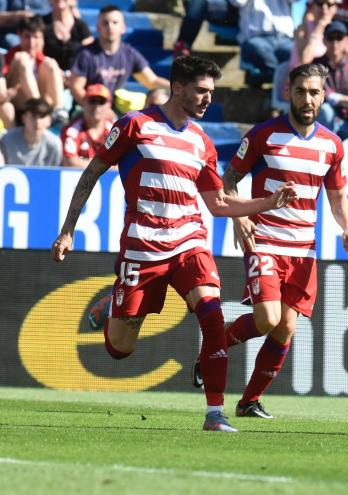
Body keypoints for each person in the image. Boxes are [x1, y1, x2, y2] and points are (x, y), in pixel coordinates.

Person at [50, 55, 298, 433]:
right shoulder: (135, 125)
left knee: (213, 317)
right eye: (201, 90)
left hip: (189, 242)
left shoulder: (202, 142)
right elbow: (91, 173)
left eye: (211, 91)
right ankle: (112, 305)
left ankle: (215, 414)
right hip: (142, 247)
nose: (207, 98)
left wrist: (266, 203)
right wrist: (68, 229)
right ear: (177, 88)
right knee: (120, 348)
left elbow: (217, 204)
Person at [197, 63, 348, 419]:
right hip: (266, 242)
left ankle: (248, 401)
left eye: (314, 92)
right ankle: (215, 348)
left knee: (286, 326)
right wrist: (240, 218)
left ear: (324, 95)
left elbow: (337, 197)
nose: (307, 99)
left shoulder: (332, 145)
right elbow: (228, 181)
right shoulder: (263, 135)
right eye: (301, 91)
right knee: (269, 318)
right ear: (288, 92)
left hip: (303, 250)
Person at [69, 5, 169, 106]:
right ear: (98, 28)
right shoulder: (86, 54)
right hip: (88, 107)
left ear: (123, 28)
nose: (110, 26)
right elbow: (76, 87)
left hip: (115, 107)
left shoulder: (129, 54)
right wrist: (95, 109)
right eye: (105, 23)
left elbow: (152, 81)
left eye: (115, 22)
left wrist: (179, 89)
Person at [3, 15, 67, 122]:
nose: (31, 43)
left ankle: (60, 111)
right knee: (22, 58)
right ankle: (38, 108)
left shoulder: (45, 62)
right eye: (27, 36)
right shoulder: (11, 57)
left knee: (51, 63)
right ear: (19, 35)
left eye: (36, 37)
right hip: (17, 103)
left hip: (44, 103)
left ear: (42, 38)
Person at [60, 83, 113, 168]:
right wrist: (105, 166)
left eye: (101, 102)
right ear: (83, 102)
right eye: (92, 101)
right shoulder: (71, 130)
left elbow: (122, 163)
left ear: (109, 105)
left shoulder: (116, 130)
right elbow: (70, 162)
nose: (96, 106)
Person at [0, 96, 61, 166]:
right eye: (33, 116)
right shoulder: (6, 140)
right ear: (24, 118)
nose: (37, 121)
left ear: (49, 120)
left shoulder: (54, 144)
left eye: (42, 116)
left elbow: (55, 173)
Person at [41, 0, 93, 73]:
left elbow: (90, 55)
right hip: (48, 75)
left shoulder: (81, 27)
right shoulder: (41, 24)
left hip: (75, 77)